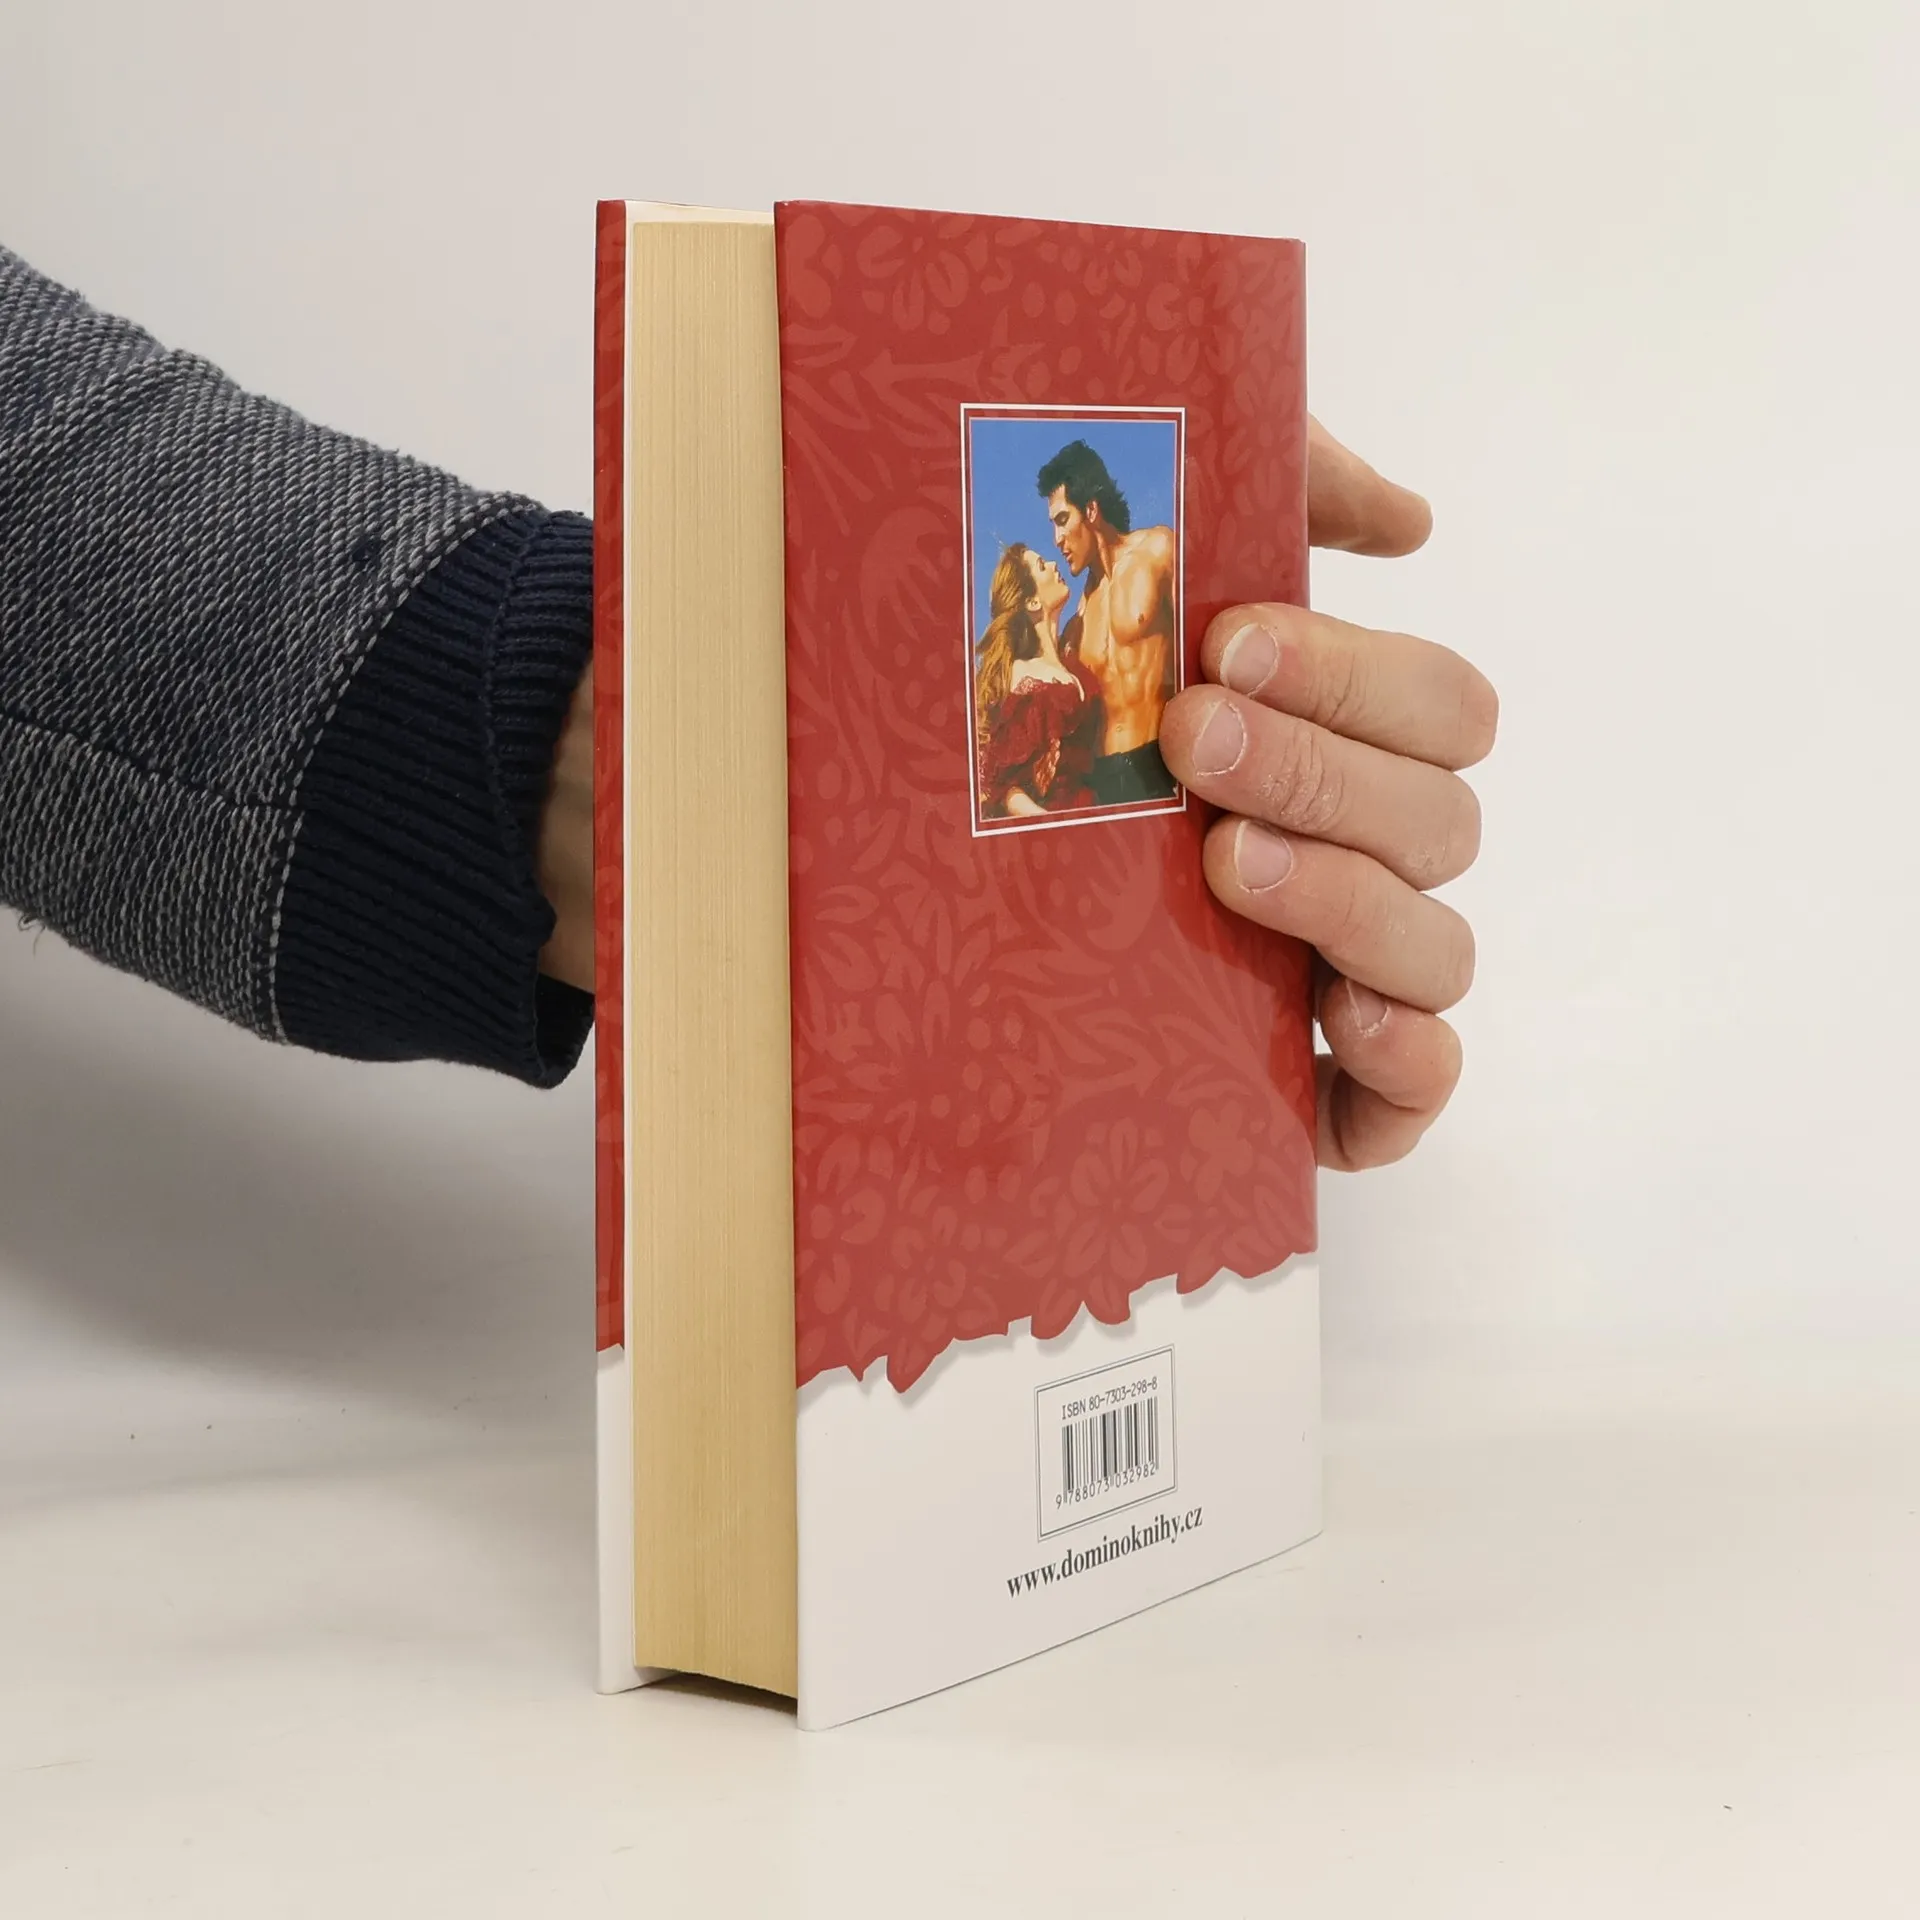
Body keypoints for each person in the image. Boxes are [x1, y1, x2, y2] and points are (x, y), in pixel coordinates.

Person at [0, 245, 1495, 1171]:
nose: (1064, 539)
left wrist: (1182, 986)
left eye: (1069, 520)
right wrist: (620, 722)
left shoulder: (1134, 574)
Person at [1038, 439, 1179, 806]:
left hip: (1158, 764)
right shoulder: (1077, 622)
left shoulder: (1158, 551)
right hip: (1101, 782)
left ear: (1091, 509)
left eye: (1062, 520)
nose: (1057, 539)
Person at [974, 543, 1103, 817]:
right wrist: (1052, 826)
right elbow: (1008, 790)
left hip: (1094, 809)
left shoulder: (1072, 661)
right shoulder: (1023, 674)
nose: (1055, 565)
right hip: (1055, 821)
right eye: (1042, 566)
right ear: (1032, 602)